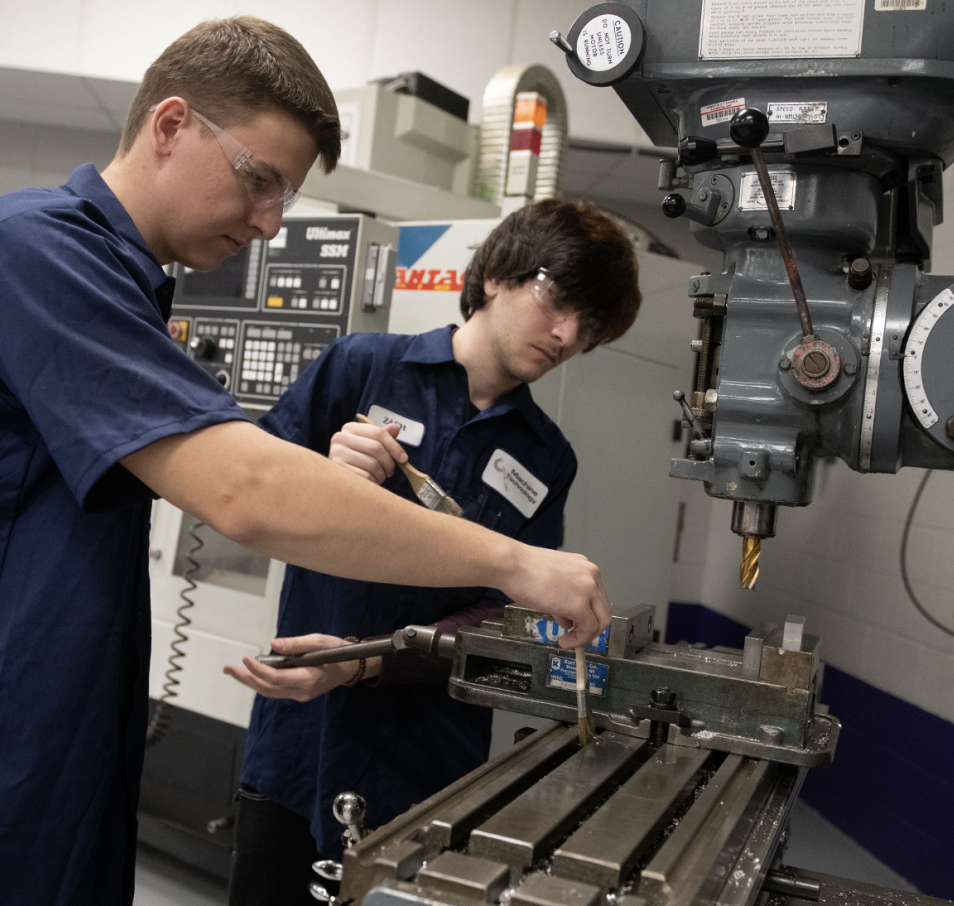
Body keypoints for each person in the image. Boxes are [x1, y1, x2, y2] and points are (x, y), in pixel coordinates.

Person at [0, 19, 614, 906]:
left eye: (286, 198)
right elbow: (247, 488)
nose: (267, 222)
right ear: (171, 124)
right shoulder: (30, 251)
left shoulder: (126, 284)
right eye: (259, 179)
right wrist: (519, 561)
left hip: (39, 735)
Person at [224, 199, 642, 906]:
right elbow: (247, 488)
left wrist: (368, 660)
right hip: (303, 739)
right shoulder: (362, 367)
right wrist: (323, 469)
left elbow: (504, 614)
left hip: (428, 759)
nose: (568, 334)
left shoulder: (546, 458)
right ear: (496, 277)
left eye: (591, 328)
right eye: (559, 300)